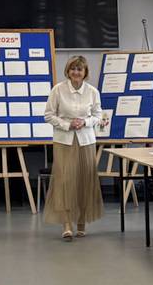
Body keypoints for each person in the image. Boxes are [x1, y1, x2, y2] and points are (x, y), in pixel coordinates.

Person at [43, 54, 106, 241]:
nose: (76, 72)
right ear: (68, 71)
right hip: (64, 141)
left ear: (85, 72)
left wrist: (85, 122)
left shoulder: (92, 91)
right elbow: (48, 115)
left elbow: (98, 115)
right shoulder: (58, 90)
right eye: (73, 69)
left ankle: (81, 223)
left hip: (86, 141)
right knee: (65, 181)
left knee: (84, 181)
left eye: (79, 69)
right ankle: (66, 225)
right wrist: (67, 124)